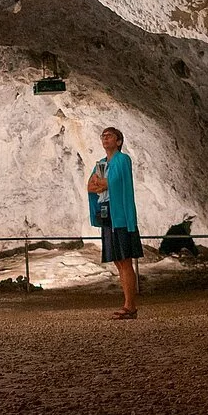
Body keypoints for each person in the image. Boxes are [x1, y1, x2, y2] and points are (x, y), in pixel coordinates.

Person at [88, 125, 142, 319]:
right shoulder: (101, 164)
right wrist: (101, 185)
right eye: (103, 136)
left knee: (125, 260)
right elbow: (91, 186)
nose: (105, 138)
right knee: (119, 262)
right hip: (108, 214)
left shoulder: (122, 160)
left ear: (118, 141)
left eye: (109, 136)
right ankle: (128, 304)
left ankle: (130, 306)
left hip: (120, 215)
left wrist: (102, 184)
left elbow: (109, 183)